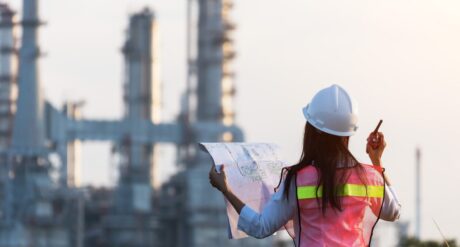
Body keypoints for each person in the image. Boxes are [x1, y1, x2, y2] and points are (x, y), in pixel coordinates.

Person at [209, 84, 401, 246]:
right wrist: (377, 161)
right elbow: (394, 212)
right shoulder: (370, 177)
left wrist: (226, 189)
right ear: (348, 134)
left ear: (313, 131)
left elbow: (261, 227)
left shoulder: (298, 179)